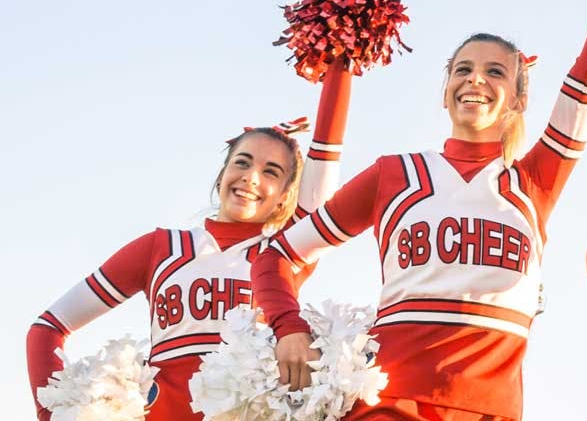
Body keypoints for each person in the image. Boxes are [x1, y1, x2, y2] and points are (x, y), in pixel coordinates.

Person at [252, 0, 587, 420]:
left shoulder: (533, 183)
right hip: (388, 406)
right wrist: (289, 328)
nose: (476, 80)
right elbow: (277, 254)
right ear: (444, 90)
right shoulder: (395, 176)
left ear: (518, 100)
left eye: (495, 72)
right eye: (463, 69)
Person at [27, 69, 353, 421]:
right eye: (242, 163)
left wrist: (340, 60)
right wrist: (54, 413)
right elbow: (47, 328)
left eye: (271, 171)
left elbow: (326, 157)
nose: (251, 177)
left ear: (285, 196)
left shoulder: (284, 251)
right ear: (222, 173)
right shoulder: (160, 248)